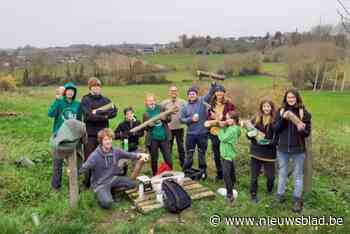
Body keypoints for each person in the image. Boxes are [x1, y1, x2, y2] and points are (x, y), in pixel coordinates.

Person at [79, 128, 149, 209]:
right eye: (105, 140)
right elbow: (85, 167)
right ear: (101, 141)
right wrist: (74, 172)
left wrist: (141, 155)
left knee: (132, 184)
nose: (108, 142)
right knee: (107, 203)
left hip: (112, 178)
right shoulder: (95, 156)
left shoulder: (116, 151)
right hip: (100, 184)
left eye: (110, 139)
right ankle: (101, 195)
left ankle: (113, 192)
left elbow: (129, 155)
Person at [273, 89, 311, 213]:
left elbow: (306, 133)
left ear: (297, 98)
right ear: (285, 99)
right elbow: (276, 129)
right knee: (282, 173)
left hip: (298, 150)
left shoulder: (303, 112)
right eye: (288, 97)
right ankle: (280, 195)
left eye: (293, 97)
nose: (291, 99)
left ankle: (297, 199)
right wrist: (284, 119)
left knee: (297, 175)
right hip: (282, 149)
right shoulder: (280, 111)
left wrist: (301, 128)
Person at [81, 77, 117, 188]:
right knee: (89, 159)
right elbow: (88, 116)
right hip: (91, 135)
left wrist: (98, 114)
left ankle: (102, 181)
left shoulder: (105, 100)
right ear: (90, 88)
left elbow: (114, 111)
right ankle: (87, 183)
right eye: (94, 86)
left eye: (98, 86)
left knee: (104, 158)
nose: (96, 88)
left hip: (104, 136)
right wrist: (105, 116)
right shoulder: (86, 99)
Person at [48, 82, 82, 191]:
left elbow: (79, 120)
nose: (70, 92)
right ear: (65, 92)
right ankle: (55, 187)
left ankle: (73, 185)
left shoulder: (77, 104)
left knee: (74, 164)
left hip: (72, 138)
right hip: (59, 137)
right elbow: (51, 114)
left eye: (72, 90)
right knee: (57, 162)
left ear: (74, 93)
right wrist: (57, 100)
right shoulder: (60, 102)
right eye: (68, 90)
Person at [180, 82, 217, 179]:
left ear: (197, 95)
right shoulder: (185, 106)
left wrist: (212, 85)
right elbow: (181, 119)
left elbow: (210, 94)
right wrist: (190, 119)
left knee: (201, 154)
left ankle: (202, 172)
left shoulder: (202, 101)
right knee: (189, 155)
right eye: (190, 94)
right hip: (190, 135)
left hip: (202, 134)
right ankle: (187, 171)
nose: (192, 95)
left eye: (194, 94)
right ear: (188, 96)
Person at [247, 100, 276, 203]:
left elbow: (277, 139)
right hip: (256, 152)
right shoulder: (255, 119)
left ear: (272, 108)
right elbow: (249, 133)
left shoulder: (275, 120)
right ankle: (253, 195)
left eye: (268, 106)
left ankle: (269, 190)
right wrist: (249, 135)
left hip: (269, 154)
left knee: (271, 177)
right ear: (261, 108)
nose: (266, 108)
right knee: (254, 177)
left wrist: (268, 142)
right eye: (264, 106)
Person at [208, 84, 236, 180]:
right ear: (215, 93)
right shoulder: (211, 104)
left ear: (224, 93)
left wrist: (221, 118)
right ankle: (219, 174)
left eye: (221, 91)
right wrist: (212, 118)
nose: (219, 93)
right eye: (217, 91)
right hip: (214, 133)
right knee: (216, 155)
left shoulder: (229, 104)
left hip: (225, 133)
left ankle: (230, 176)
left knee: (227, 155)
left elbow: (233, 117)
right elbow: (208, 117)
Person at [143, 93, 173, 176]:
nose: (151, 102)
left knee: (168, 158)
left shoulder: (161, 108)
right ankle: (155, 175)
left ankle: (170, 173)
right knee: (154, 159)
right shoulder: (146, 114)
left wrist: (165, 118)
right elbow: (144, 127)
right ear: (146, 102)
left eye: (152, 100)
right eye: (149, 101)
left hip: (164, 137)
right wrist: (148, 125)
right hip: (153, 140)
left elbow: (169, 118)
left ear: (155, 101)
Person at [218, 111, 241, 206]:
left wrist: (221, 129)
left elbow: (222, 138)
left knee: (226, 174)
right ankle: (232, 185)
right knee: (231, 172)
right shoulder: (232, 128)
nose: (227, 120)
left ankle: (230, 194)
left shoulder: (232, 130)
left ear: (235, 119)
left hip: (228, 155)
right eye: (226, 118)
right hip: (226, 154)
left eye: (230, 118)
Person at [160, 85, 186, 168]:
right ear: (169, 93)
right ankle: (168, 165)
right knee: (169, 148)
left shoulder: (183, 102)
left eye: (175, 91)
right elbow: (159, 113)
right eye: (172, 91)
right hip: (169, 129)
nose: (173, 92)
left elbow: (188, 111)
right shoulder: (164, 103)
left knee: (181, 147)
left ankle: (183, 164)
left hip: (179, 128)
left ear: (177, 92)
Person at [114, 107, 144, 175]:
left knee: (136, 165)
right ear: (125, 115)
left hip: (135, 146)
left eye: (131, 113)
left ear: (133, 114)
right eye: (127, 114)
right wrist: (122, 135)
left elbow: (142, 133)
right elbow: (115, 135)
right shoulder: (122, 124)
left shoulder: (138, 122)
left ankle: (134, 178)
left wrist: (134, 133)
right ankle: (123, 173)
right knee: (121, 163)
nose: (129, 115)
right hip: (125, 145)